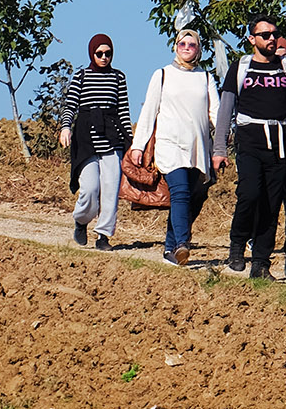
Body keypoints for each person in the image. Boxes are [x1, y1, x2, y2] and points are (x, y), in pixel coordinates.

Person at [214, 17, 286, 279]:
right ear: (252, 39)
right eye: (265, 35)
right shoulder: (240, 67)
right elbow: (225, 109)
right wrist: (219, 149)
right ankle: (238, 244)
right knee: (250, 194)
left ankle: (261, 263)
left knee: (272, 204)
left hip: (279, 143)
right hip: (250, 140)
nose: (271, 39)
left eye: (275, 34)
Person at [132, 29, 219, 268]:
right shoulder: (162, 75)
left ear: (199, 49)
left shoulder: (206, 77)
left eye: (192, 45)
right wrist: (138, 146)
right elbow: (148, 112)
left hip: (197, 148)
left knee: (188, 197)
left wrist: (223, 141)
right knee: (180, 192)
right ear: (175, 46)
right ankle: (183, 243)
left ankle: (170, 248)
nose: (187, 48)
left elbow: (216, 113)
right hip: (170, 145)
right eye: (182, 43)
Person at [59, 34, 132, 247]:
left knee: (110, 190)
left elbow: (123, 112)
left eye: (108, 53)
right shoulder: (81, 76)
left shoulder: (119, 77)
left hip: (112, 138)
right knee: (90, 188)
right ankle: (81, 220)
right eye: (99, 53)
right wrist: (65, 127)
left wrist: (130, 141)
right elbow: (70, 106)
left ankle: (103, 235)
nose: (104, 57)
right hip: (86, 139)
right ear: (92, 53)